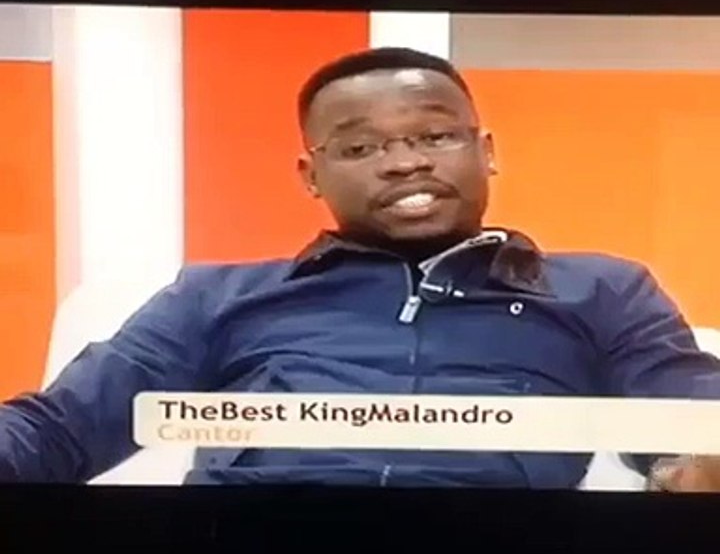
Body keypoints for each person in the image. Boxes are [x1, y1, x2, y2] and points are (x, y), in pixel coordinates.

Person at [1, 46, 720, 489]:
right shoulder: (213, 296)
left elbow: (688, 419)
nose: (405, 162)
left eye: (435, 135)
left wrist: (687, 470)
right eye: (360, 148)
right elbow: (60, 430)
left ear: (486, 151)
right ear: (310, 176)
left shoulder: (603, 290)